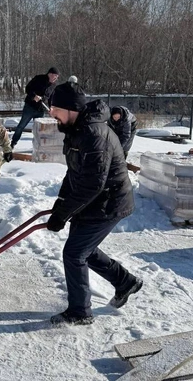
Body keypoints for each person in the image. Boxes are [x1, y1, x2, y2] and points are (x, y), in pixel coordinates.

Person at [46, 82, 142, 325]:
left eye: (55, 108)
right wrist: (60, 204)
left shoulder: (93, 134)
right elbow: (73, 173)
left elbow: (92, 184)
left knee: (74, 253)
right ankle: (125, 282)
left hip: (108, 202)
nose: (50, 112)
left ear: (70, 109)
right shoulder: (77, 130)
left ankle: (80, 312)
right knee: (83, 250)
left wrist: (63, 214)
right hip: (95, 200)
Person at [10, 67, 60, 149]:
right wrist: (34, 96)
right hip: (30, 106)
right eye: (55, 76)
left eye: (57, 77)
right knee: (21, 125)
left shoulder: (54, 85)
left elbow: (50, 98)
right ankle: (13, 143)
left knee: (39, 130)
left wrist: (51, 107)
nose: (56, 78)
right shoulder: (38, 78)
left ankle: (38, 147)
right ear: (50, 74)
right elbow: (28, 88)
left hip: (40, 110)